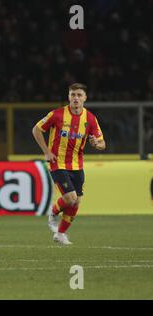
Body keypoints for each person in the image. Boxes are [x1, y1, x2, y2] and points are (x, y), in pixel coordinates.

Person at [32, 83, 106, 245]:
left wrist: (96, 144)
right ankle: (53, 212)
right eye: (73, 95)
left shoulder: (90, 119)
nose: (76, 98)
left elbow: (102, 144)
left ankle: (60, 234)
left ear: (85, 98)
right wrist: (46, 151)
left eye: (79, 95)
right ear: (69, 97)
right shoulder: (57, 115)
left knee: (76, 201)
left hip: (77, 165)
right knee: (70, 197)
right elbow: (36, 130)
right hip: (57, 163)